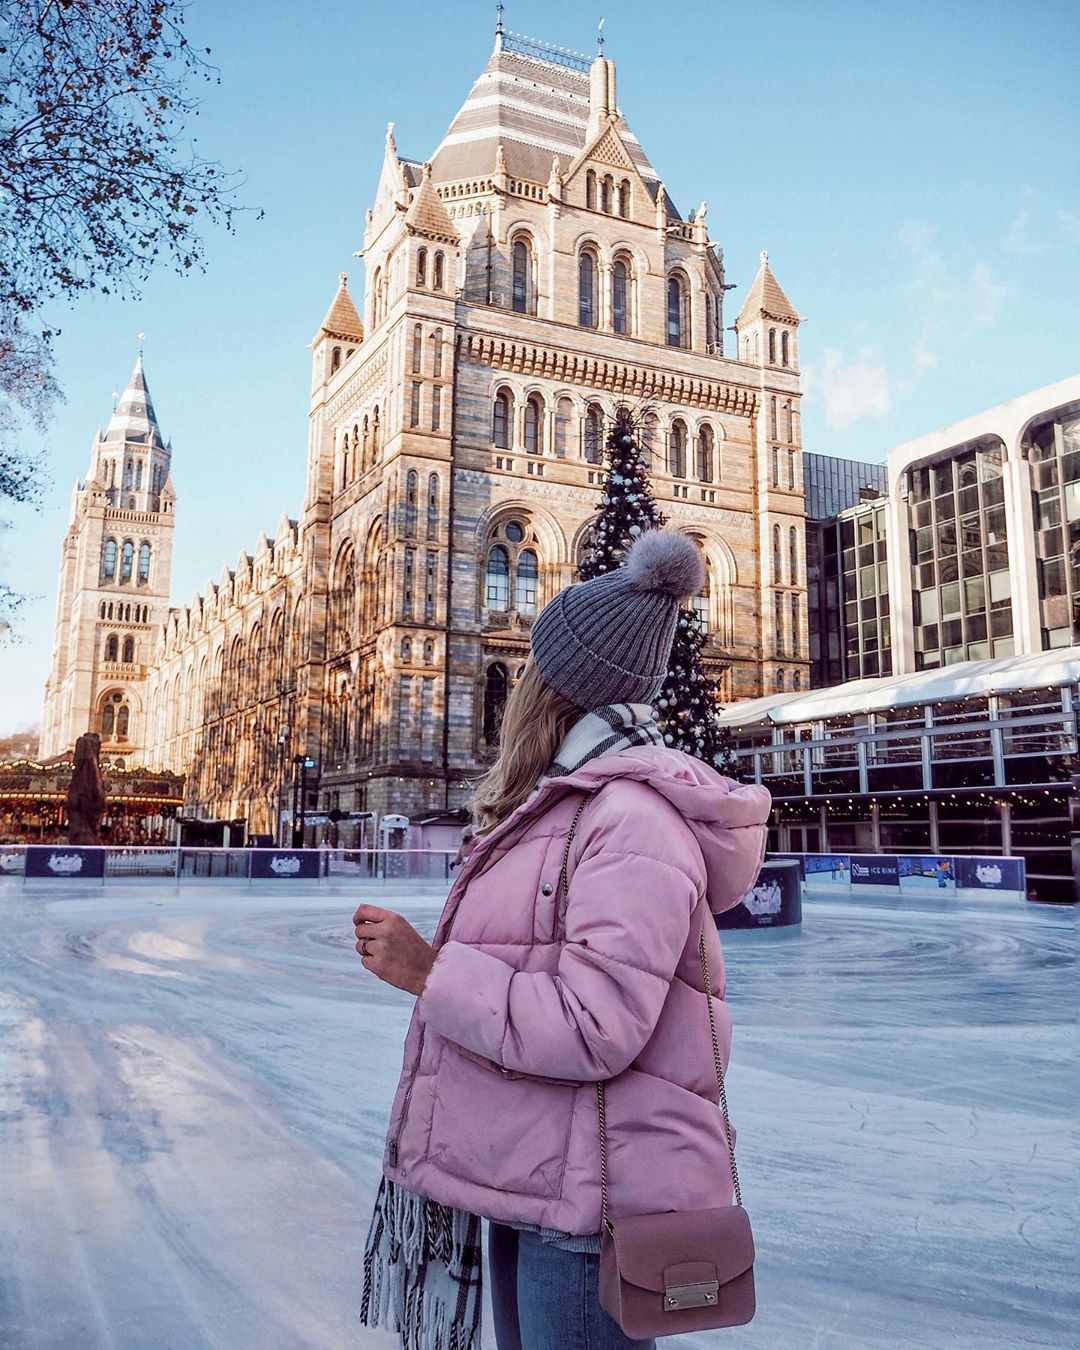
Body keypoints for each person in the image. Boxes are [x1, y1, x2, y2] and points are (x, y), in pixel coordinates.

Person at [353, 529, 771, 1350]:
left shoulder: (630, 822)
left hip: (590, 1211)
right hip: (538, 1179)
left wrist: (432, 974)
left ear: (553, 687)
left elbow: (594, 1023)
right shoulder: (565, 808)